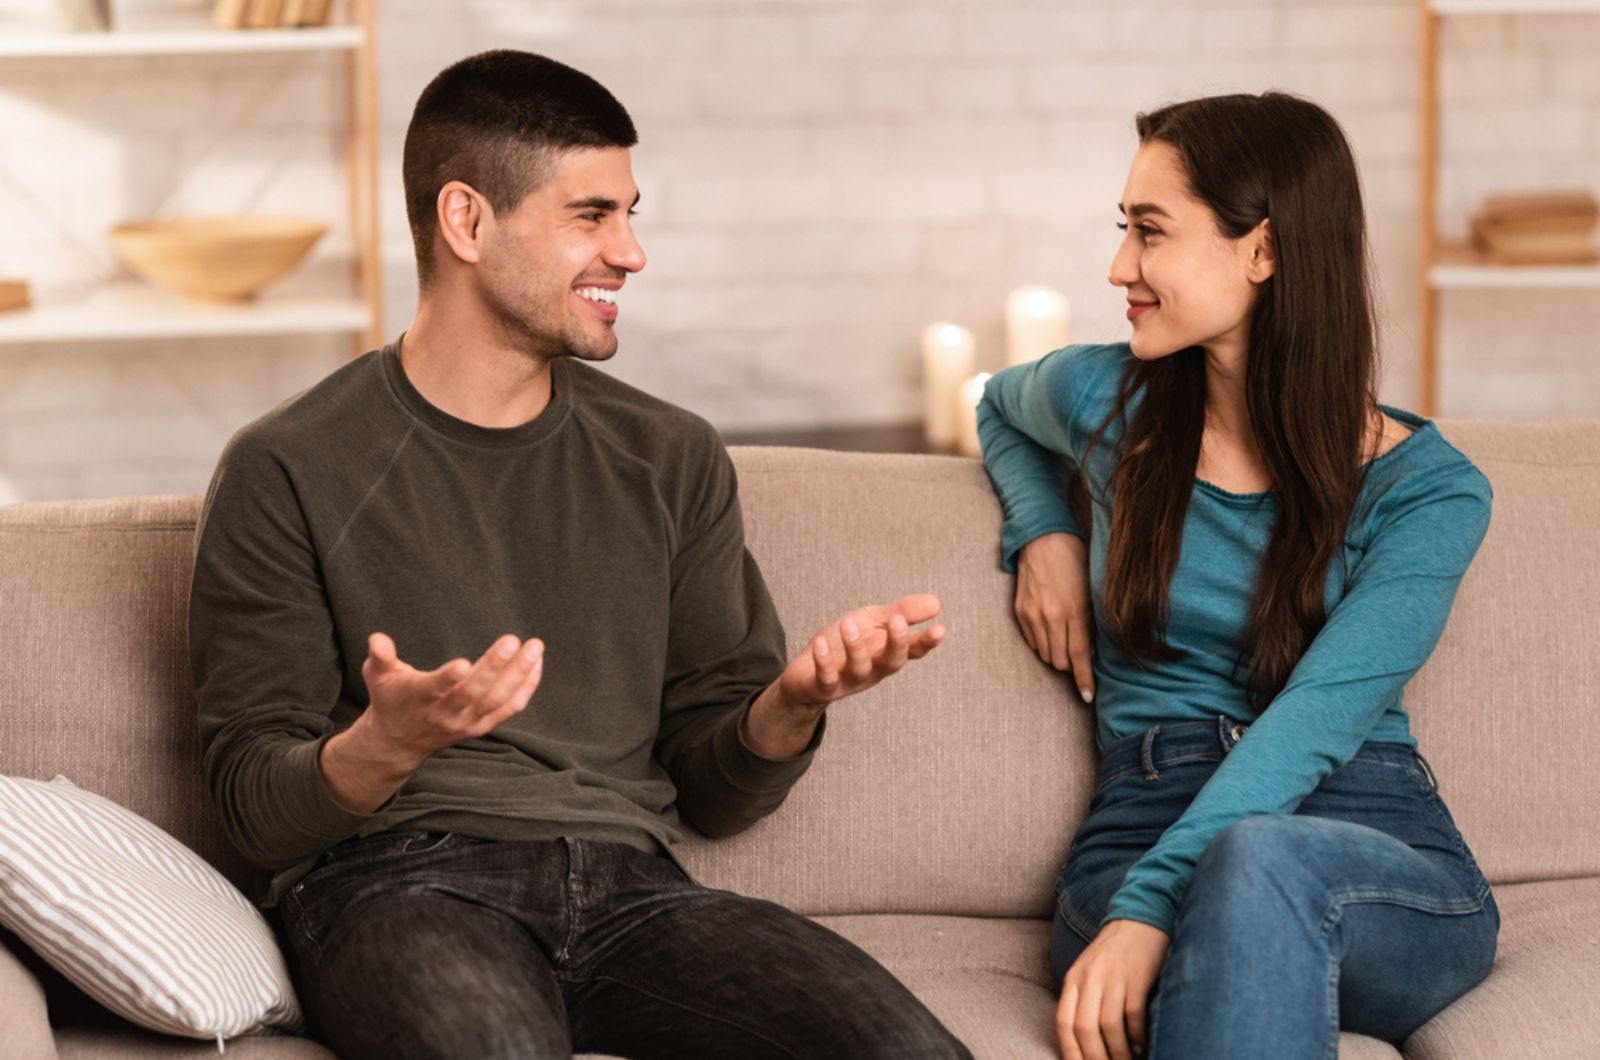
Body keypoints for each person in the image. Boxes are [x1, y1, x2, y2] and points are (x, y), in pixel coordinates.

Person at [189, 49, 971, 1060]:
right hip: (394, 882)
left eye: (630, 214)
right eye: (591, 216)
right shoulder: (288, 464)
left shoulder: (668, 454)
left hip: (633, 889)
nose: (632, 252)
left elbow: (712, 792)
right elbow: (253, 806)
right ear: (466, 221)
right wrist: (388, 741)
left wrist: (790, 704)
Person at [976, 92, 1498, 1060]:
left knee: (1257, 859)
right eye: (1122, 230)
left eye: (1149, 232)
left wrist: (1151, 907)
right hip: (1143, 817)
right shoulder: (1104, 399)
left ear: (1260, 251)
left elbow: (1313, 724)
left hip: (1370, 851)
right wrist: (1042, 529)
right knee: (1245, 873)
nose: (1117, 267)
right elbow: (998, 411)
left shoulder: (1429, 493)